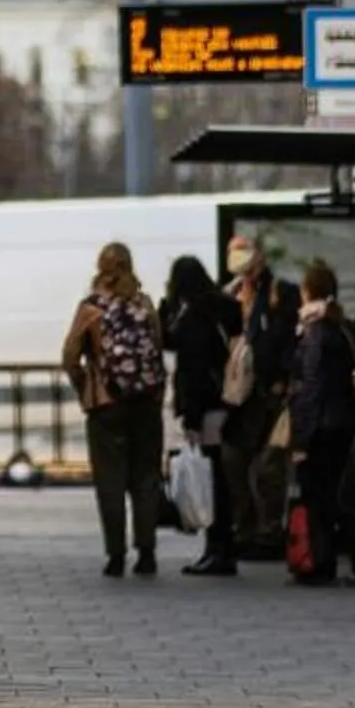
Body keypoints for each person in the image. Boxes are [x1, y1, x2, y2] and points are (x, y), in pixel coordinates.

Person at [63, 242, 166, 579]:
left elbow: (70, 357)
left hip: (106, 405)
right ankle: (147, 552)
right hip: (146, 403)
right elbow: (158, 349)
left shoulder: (90, 308)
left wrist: (87, 388)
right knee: (146, 478)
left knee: (111, 480)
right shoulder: (145, 303)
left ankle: (116, 556)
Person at [161, 253, 239, 576]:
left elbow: (190, 366)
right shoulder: (225, 307)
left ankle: (217, 547)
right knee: (221, 477)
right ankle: (221, 546)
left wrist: (190, 418)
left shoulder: (195, 316)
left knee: (211, 478)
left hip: (205, 407)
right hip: (227, 401)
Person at [223, 232, 300, 552]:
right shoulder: (230, 294)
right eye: (233, 251)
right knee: (234, 460)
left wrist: (282, 378)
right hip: (238, 392)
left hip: (268, 389)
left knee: (269, 462)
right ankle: (246, 524)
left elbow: (284, 338)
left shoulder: (280, 293)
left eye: (243, 250)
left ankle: (269, 528)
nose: (237, 256)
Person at [287, 259, 355, 586]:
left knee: (316, 497)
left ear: (307, 292)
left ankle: (320, 560)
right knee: (335, 495)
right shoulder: (341, 327)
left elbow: (311, 386)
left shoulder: (313, 331)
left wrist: (301, 439)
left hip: (320, 426)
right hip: (342, 421)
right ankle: (349, 557)